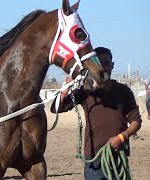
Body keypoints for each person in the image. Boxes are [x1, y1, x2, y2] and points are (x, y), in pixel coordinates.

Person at [51, 47, 142, 179]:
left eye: (107, 63)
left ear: (112, 65)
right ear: (93, 66)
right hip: (94, 158)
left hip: (118, 156)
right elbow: (56, 108)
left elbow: (136, 121)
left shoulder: (124, 91)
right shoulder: (86, 91)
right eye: (99, 63)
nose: (103, 67)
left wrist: (121, 137)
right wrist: (65, 89)